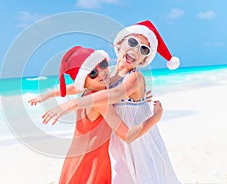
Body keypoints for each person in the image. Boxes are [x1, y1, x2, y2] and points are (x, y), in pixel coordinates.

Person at [41, 20, 181, 183]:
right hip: (119, 142)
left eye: (143, 49)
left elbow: (116, 93)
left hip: (139, 139)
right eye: (133, 42)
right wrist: (49, 94)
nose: (136, 50)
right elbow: (81, 84)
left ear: (143, 60)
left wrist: (75, 103)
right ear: (120, 43)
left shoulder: (135, 77)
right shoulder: (108, 74)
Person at [29, 45, 163, 184]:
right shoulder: (100, 101)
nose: (102, 73)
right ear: (84, 81)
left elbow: (75, 88)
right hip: (91, 165)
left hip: (74, 160)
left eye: (103, 64)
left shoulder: (88, 95)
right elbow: (128, 135)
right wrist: (156, 117)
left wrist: (48, 94)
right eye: (92, 73)